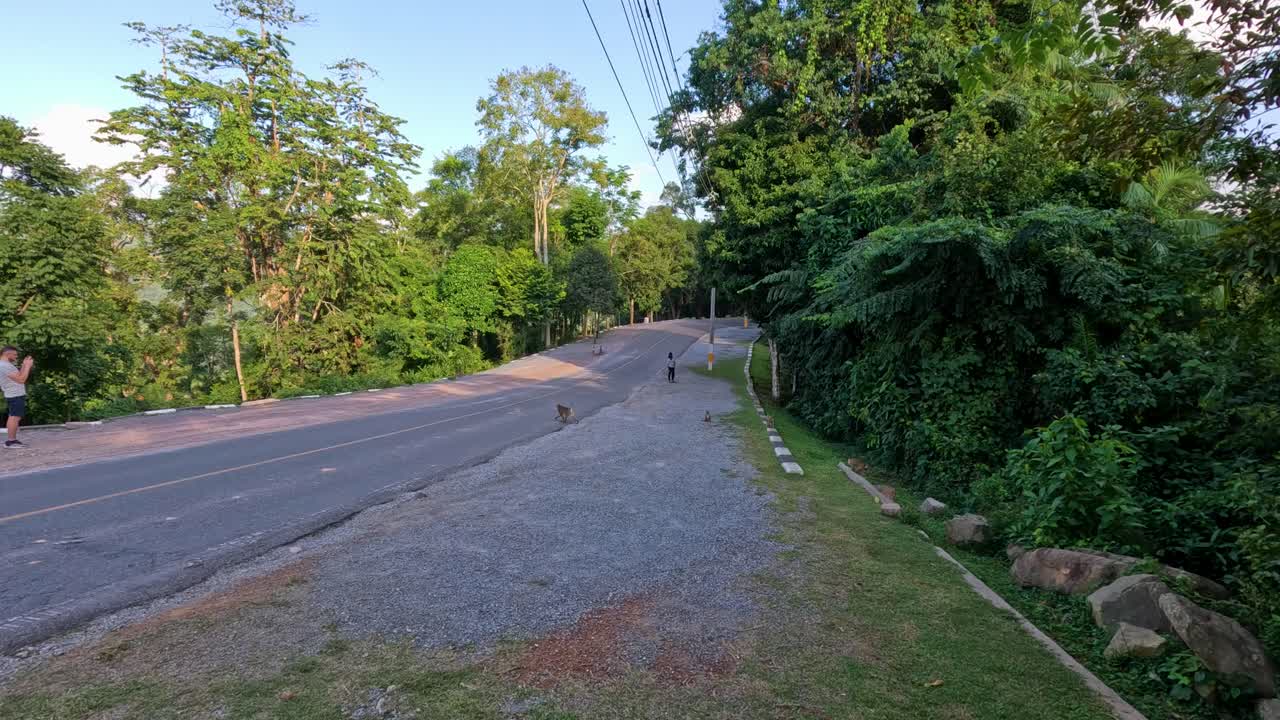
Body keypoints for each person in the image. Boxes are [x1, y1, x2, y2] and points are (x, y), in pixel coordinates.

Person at [1, 346, 33, 449]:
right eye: (14, 354)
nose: (16, 356)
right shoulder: (3, 366)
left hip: (15, 394)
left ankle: (12, 440)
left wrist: (24, 365)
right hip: (14, 394)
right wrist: (28, 366)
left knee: (15, 416)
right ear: (7, 354)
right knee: (14, 417)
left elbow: (19, 374)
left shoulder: (7, 365)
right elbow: (21, 379)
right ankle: (10, 441)